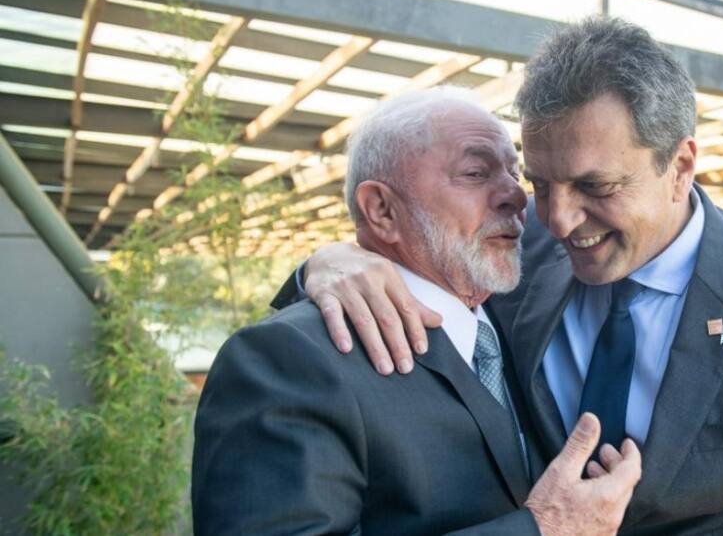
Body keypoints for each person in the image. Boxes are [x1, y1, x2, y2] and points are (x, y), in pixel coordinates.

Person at [279, 17, 723, 534]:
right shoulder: (510, 257)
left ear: (680, 166)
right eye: (541, 184)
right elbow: (410, 253)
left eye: (596, 186)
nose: (558, 220)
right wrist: (323, 264)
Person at [192, 89, 641, 535]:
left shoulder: (513, 305)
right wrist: (544, 529)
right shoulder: (288, 361)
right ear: (381, 209)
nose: (516, 196)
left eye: (514, 172)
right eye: (475, 173)